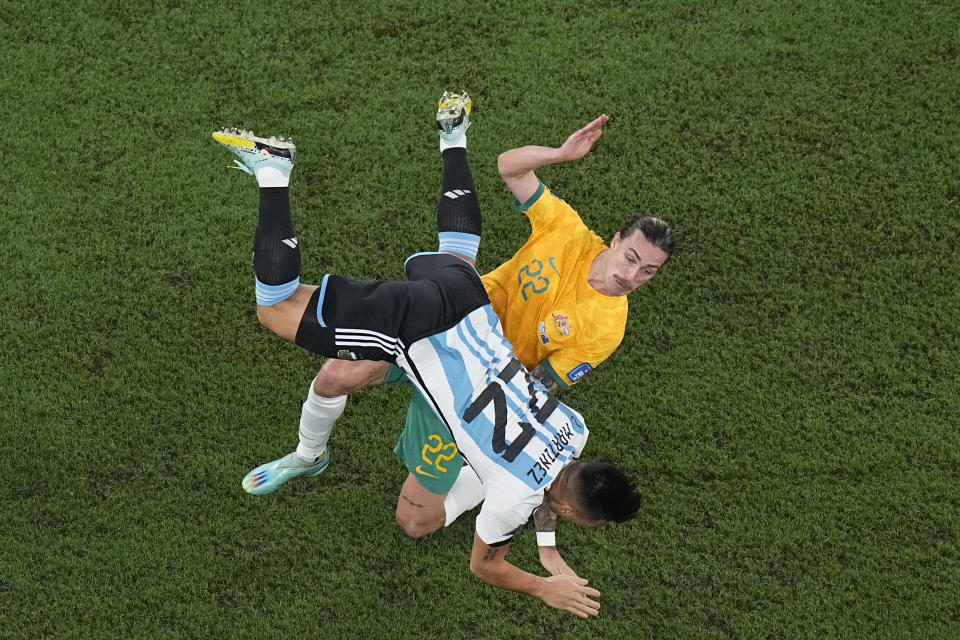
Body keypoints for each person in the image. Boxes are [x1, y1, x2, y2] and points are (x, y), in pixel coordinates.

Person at [212, 93, 642, 618]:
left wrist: (550, 551)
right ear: (574, 511)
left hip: (468, 300)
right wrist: (543, 584)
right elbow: (487, 566)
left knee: (456, 251)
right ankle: (273, 172)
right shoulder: (510, 498)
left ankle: (453, 138)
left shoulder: (575, 429)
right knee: (276, 309)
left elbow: (552, 485)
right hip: (418, 331)